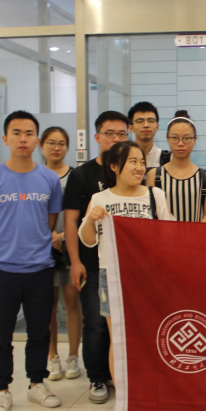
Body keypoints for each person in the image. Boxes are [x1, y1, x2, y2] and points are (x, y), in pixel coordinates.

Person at [0, 111, 64, 411]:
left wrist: (32, 248)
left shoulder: (49, 179)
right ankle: (2, 390)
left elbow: (49, 221)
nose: (22, 138)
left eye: (28, 133)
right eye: (16, 133)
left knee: (39, 332)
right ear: (5, 138)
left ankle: (37, 383)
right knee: (0, 335)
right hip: (2, 271)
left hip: (39, 270)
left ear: (37, 140)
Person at [79, 141, 174, 385]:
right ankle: (124, 397)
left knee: (149, 337)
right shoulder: (99, 198)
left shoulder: (155, 195)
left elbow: (170, 234)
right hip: (112, 276)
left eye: (142, 161)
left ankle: (148, 390)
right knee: (118, 339)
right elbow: (88, 241)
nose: (139, 167)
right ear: (114, 166)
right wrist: (90, 220)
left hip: (147, 277)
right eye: (133, 161)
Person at [63, 110, 130, 404]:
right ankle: (97, 377)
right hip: (93, 264)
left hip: (127, 266)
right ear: (97, 137)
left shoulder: (132, 171)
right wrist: (75, 262)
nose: (115, 139)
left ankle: (120, 375)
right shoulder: (81, 175)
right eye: (109, 134)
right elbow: (71, 222)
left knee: (122, 325)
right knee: (95, 323)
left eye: (121, 134)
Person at [39, 127, 82, 382]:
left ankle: (73, 356)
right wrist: (48, 238)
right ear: (41, 145)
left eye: (62, 143)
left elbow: (81, 213)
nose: (56, 148)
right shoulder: (35, 176)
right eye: (51, 143)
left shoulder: (75, 176)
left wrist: (63, 237)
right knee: (48, 305)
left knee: (72, 302)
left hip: (70, 246)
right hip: (42, 249)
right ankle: (52, 356)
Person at [146, 111, 206, 222]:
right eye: (175, 138)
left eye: (186, 138)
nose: (180, 143)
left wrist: (195, 232)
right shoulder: (154, 175)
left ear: (194, 140)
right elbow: (150, 213)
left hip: (197, 232)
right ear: (168, 139)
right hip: (164, 233)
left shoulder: (205, 176)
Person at [128, 101, 163, 168]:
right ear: (131, 128)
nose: (146, 125)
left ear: (157, 127)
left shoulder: (167, 159)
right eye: (140, 121)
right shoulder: (124, 158)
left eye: (151, 121)